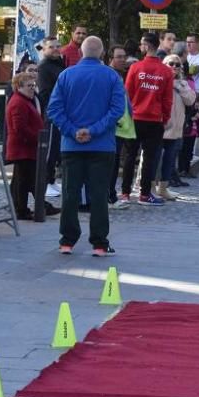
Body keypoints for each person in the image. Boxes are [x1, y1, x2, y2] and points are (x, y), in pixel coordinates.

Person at [46, 36, 126, 257]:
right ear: (102, 54)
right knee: (99, 194)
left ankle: (67, 240)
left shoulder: (66, 75)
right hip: (102, 145)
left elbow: (54, 110)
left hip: (71, 145)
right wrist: (94, 130)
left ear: (80, 52)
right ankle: (99, 243)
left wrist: (73, 131)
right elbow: (117, 110)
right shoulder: (112, 76)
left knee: (70, 193)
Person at [124, 32, 174, 206]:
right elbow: (168, 99)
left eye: (141, 44)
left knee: (131, 155)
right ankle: (145, 194)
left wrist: (127, 115)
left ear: (146, 46)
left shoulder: (135, 68)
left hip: (135, 118)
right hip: (154, 119)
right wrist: (165, 117)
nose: (139, 47)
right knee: (150, 158)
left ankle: (125, 193)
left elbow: (127, 94)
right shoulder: (166, 71)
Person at [5, 73, 59, 221]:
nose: (32, 88)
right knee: (23, 181)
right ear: (18, 87)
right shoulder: (18, 102)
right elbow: (19, 127)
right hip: (23, 149)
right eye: (29, 86)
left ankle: (28, 207)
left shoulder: (25, 100)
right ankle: (22, 210)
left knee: (22, 181)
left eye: (33, 85)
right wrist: (38, 138)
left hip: (27, 148)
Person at [159, 54, 197, 200]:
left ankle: (164, 187)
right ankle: (147, 187)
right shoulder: (160, 80)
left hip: (175, 128)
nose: (174, 67)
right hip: (160, 125)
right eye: (171, 64)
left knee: (169, 159)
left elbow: (190, 100)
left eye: (177, 64)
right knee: (155, 159)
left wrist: (178, 86)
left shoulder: (183, 83)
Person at [36, 36, 65, 198]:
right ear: (44, 49)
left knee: (55, 149)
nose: (55, 49)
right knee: (49, 149)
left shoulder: (59, 64)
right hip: (51, 113)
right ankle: (44, 182)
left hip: (60, 112)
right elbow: (45, 93)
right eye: (51, 47)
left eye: (57, 46)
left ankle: (51, 180)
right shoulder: (44, 67)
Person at [107, 45, 135, 209]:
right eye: (119, 57)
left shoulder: (120, 74)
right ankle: (110, 196)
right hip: (114, 125)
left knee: (116, 160)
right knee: (112, 161)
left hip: (121, 125)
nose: (123, 60)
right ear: (111, 58)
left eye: (124, 56)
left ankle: (111, 194)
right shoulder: (110, 74)